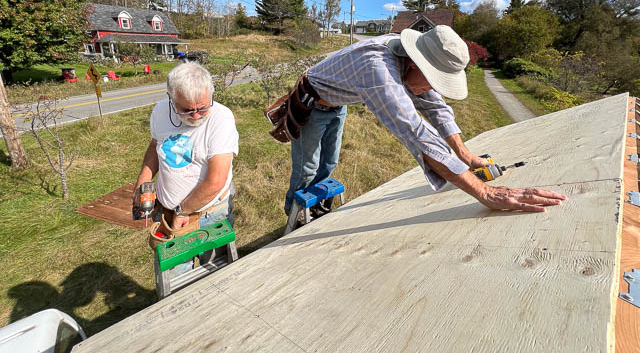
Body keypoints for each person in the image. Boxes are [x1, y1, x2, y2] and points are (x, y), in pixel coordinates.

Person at [284, 25, 566, 215]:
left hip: (336, 104)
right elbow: (418, 135)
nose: (433, 89)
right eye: (433, 80)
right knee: (307, 167)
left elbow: (436, 108)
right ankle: (295, 214)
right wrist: (486, 193)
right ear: (416, 62)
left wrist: (465, 155)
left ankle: (316, 206)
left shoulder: (408, 61)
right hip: (309, 105)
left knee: (329, 162)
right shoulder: (377, 70)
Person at [134, 61, 239, 273]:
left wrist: (183, 211)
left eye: (202, 107)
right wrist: (143, 180)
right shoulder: (160, 112)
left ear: (211, 94)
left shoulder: (221, 118)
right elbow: (155, 145)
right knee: (176, 283)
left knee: (216, 274)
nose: (196, 116)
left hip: (210, 214)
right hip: (167, 212)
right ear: (171, 98)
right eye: (187, 110)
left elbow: (215, 181)